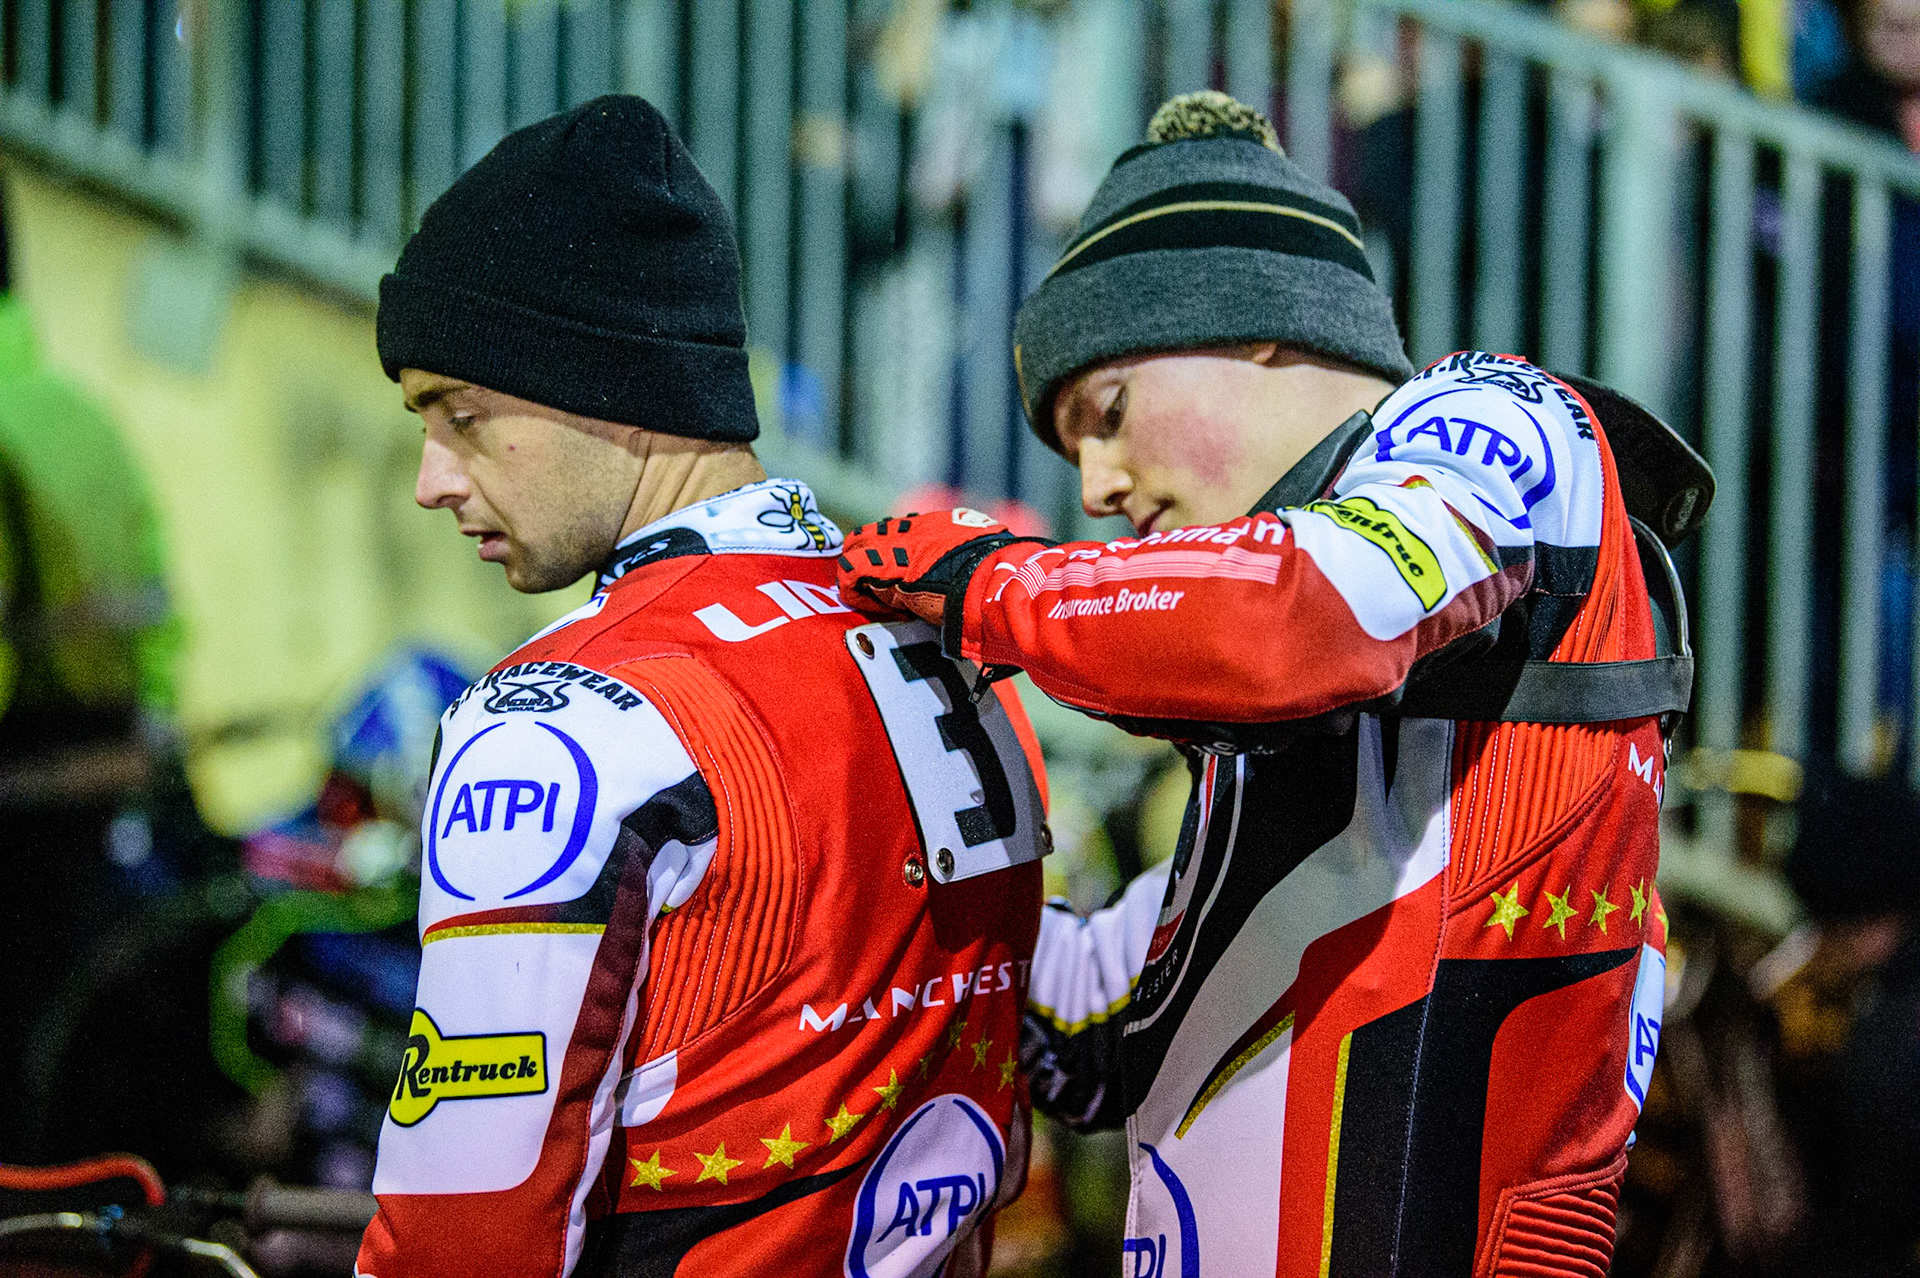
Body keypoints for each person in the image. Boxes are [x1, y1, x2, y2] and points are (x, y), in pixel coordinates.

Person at [839, 92, 1693, 1277]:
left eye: (1110, 412)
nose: (1094, 484)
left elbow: (1312, 614)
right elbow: (1087, 1027)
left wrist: (998, 587)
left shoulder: (1492, 414)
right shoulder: (1304, 743)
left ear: (1259, 328)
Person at [356, 97, 1046, 1278]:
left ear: (606, 384)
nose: (431, 478)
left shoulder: (564, 717)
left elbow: (467, 1228)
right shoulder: (943, 626)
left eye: (462, 415)